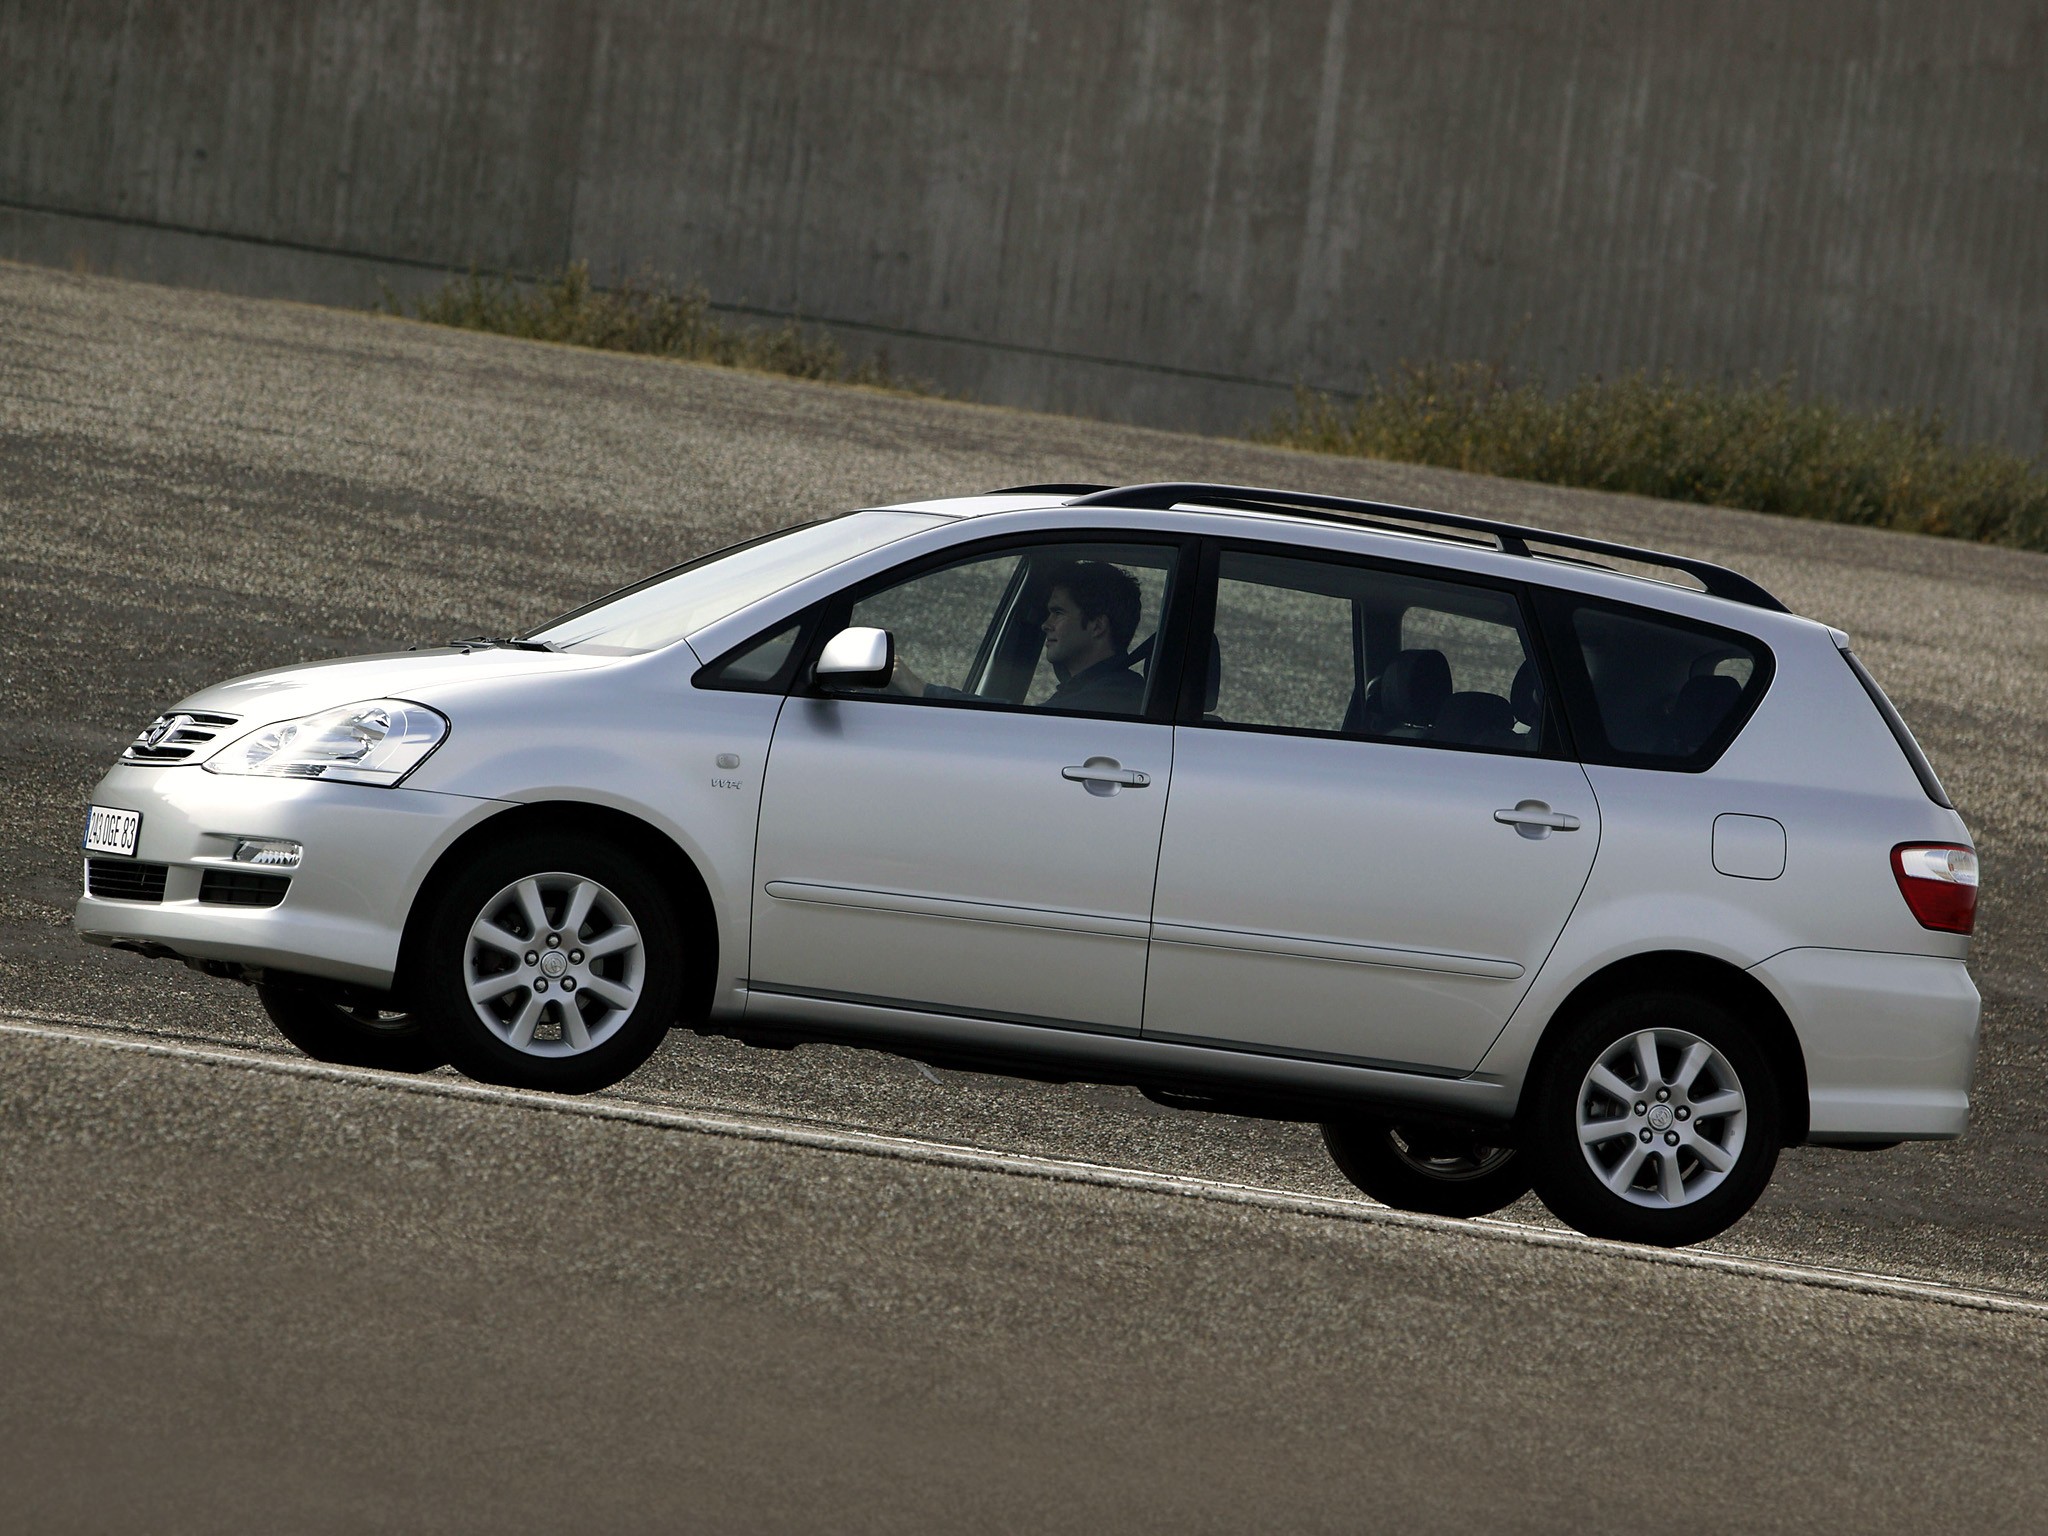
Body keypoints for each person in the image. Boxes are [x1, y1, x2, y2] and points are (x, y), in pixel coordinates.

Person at [885, 559, 1146, 713]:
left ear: (1097, 626)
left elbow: (1026, 728)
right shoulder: (1090, 690)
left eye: (1058, 612)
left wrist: (922, 690)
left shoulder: (1114, 697)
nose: (1045, 624)